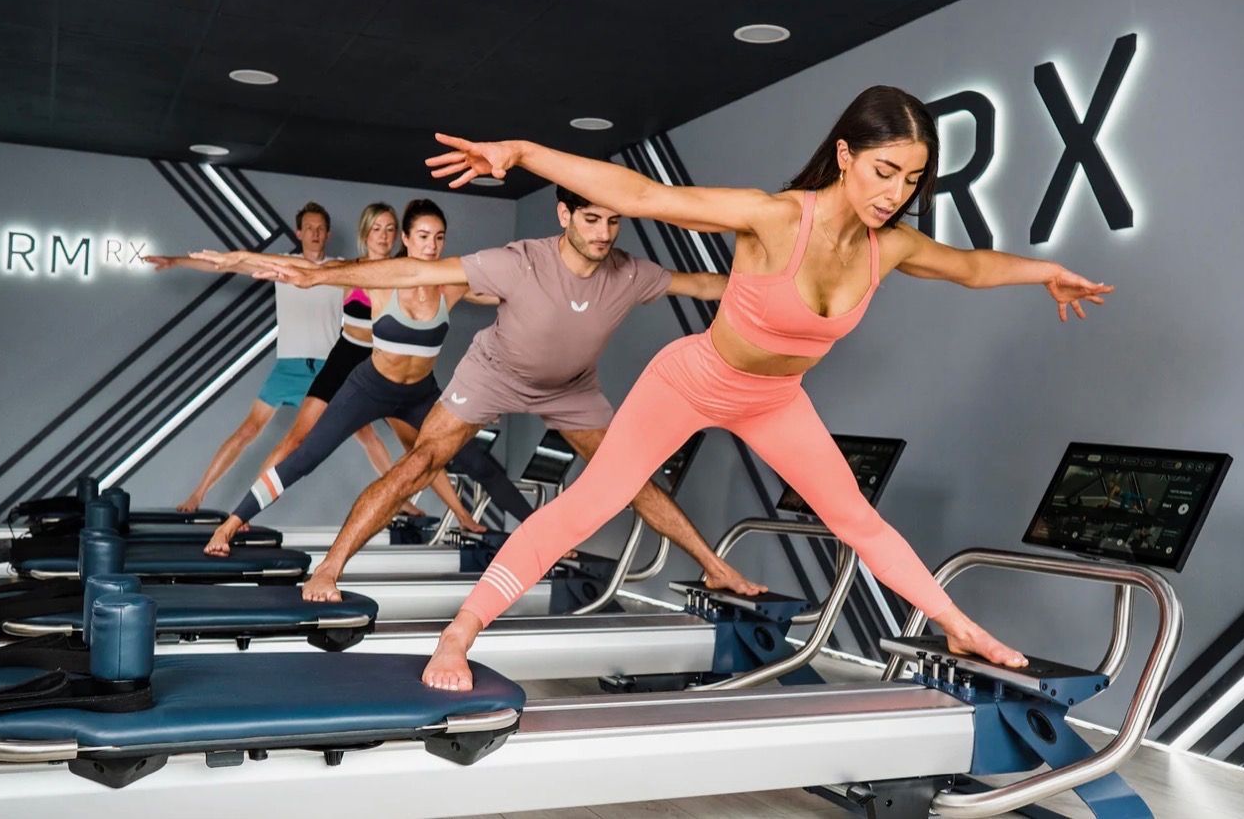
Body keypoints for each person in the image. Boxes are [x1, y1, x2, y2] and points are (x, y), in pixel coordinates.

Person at [407, 84, 1115, 690]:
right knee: (592, 503)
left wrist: (1043, 274)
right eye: (884, 170)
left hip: (775, 401)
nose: (895, 193)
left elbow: (970, 267)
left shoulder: (888, 246)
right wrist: (523, 153)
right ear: (845, 156)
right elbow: (646, 196)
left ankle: (958, 628)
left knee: (858, 521)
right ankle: (461, 632)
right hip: (693, 380)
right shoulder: (775, 217)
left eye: (911, 180)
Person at [236, 189, 767, 604]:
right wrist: (320, 274)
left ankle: (715, 566)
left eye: (612, 221)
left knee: (629, 475)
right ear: (564, 215)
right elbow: (414, 269)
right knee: (421, 461)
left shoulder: (630, 273)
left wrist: (778, 285)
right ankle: (331, 566)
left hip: (571, 390)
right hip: (493, 374)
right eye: (590, 219)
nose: (603, 233)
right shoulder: (519, 261)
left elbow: (701, 285)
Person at [193, 199, 534, 555]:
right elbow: (312, 271)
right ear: (406, 237)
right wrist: (238, 260)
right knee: (306, 455)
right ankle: (231, 524)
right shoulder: (381, 275)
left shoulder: (453, 283)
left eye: (439, 238)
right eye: (422, 236)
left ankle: (539, 534)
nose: (431, 246)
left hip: (421, 395)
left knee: (477, 462)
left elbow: (511, 293)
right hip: (371, 387)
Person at [148, 202, 384, 512]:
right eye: (309, 228)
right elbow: (228, 265)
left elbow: (385, 282)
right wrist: (175, 260)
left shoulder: (340, 270)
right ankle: (197, 495)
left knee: (365, 432)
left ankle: (401, 499)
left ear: (327, 233)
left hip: (329, 368)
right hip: (288, 366)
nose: (314, 233)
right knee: (248, 430)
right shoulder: (281, 265)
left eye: (320, 228)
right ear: (299, 232)